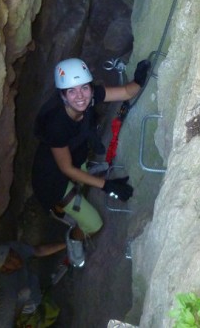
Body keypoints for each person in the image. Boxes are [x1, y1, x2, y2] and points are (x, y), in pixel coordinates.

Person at [31, 57, 150, 267]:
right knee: (93, 223)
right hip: (51, 181)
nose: (81, 96)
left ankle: (84, 183)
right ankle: (74, 240)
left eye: (84, 88)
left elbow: (125, 92)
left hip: (75, 158)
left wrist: (139, 79)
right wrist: (107, 185)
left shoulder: (91, 96)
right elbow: (65, 168)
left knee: (83, 174)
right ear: (62, 95)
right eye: (72, 91)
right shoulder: (56, 124)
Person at [0, 240, 66, 327]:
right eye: (9, 261)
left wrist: (67, 242)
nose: (15, 259)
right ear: (4, 270)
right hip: (29, 308)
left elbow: (38, 251)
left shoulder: (14, 248)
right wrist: (20, 306)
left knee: (28, 289)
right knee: (26, 295)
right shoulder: (8, 292)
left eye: (12, 254)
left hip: (33, 286)